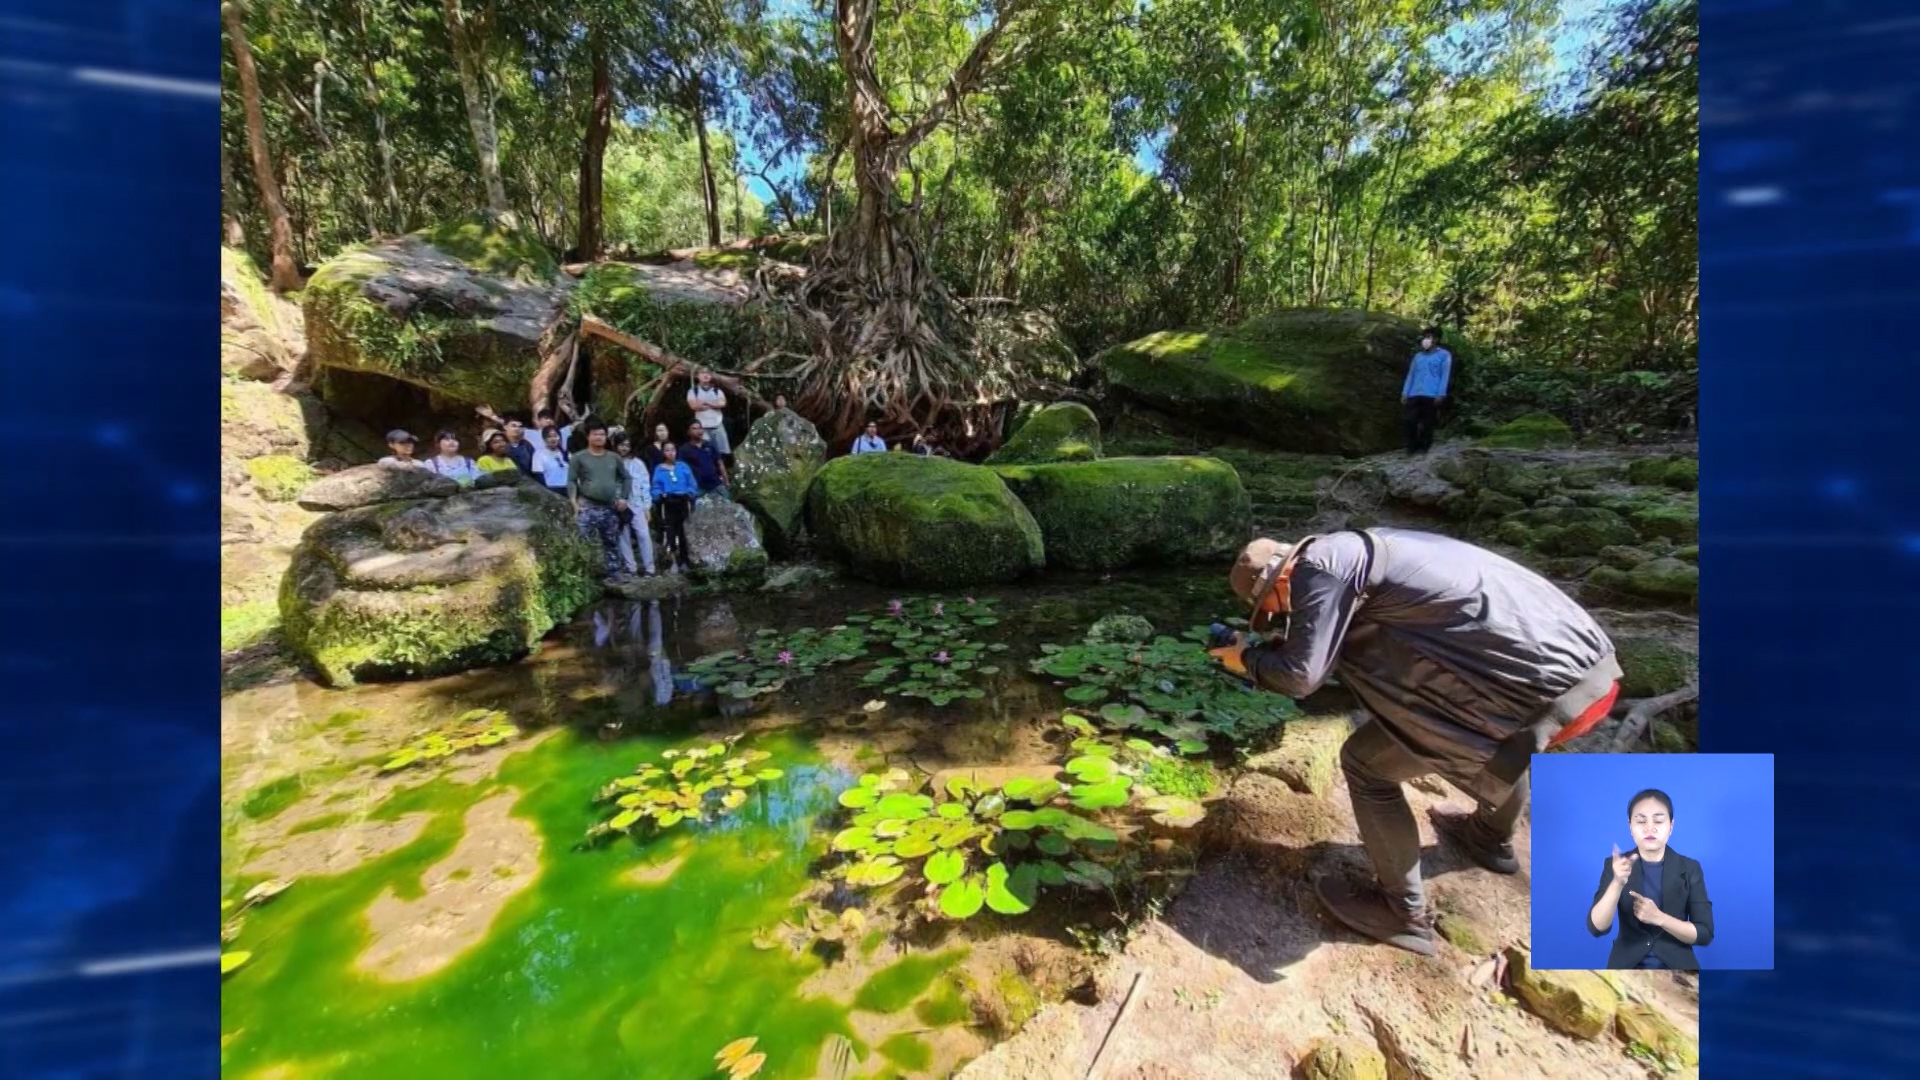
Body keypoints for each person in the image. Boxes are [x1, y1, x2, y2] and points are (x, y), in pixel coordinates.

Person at [1209, 528, 1621, 956]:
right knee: (1499, 743)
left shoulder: (1319, 567)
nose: (1279, 616)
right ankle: (1490, 839)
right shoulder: (1364, 548)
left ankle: (1402, 914)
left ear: (1280, 579)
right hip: (1588, 677)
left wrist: (1249, 659)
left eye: (1271, 609)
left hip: (1534, 697)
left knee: (1366, 764)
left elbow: (1301, 677)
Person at [1588, 789, 1714, 969]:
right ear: (1630, 825)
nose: (1649, 827)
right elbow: (1597, 927)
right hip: (1626, 969)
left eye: (1658, 820)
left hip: (1680, 973)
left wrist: (1660, 918)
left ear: (1671, 826)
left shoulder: (1690, 868)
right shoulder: (1614, 865)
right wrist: (1617, 883)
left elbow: (1704, 933)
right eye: (1640, 821)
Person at [567, 420, 632, 582]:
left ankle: (614, 572)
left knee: (611, 540)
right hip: (587, 505)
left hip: (609, 506)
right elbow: (571, 481)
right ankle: (579, 575)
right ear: (588, 436)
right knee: (581, 540)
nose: (599, 437)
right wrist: (573, 503)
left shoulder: (614, 457)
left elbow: (626, 478)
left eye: (602, 434)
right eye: (595, 434)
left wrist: (624, 497)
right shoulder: (579, 458)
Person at [1401, 327, 1452, 455]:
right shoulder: (1418, 356)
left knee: (1427, 423)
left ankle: (1425, 446)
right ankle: (1412, 446)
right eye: (1425, 337)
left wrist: (1441, 394)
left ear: (1437, 339)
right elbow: (1411, 375)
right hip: (1414, 393)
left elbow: (1444, 375)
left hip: (1431, 394)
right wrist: (1405, 392)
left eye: (1429, 337)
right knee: (1410, 421)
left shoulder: (1444, 355)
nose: (1426, 340)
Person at [614, 434, 657, 576]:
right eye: (621, 445)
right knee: (623, 536)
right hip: (619, 504)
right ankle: (630, 567)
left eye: (627, 445)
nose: (624, 448)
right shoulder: (611, 462)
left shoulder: (638, 463)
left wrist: (647, 507)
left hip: (637, 503)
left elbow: (645, 485)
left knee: (643, 535)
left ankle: (649, 568)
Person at [652, 442, 699, 572]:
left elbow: (692, 484)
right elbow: (655, 488)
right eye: (667, 450)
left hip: (683, 502)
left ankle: (685, 560)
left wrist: (690, 493)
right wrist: (659, 496)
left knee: (684, 531)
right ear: (663, 453)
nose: (671, 452)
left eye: (673, 449)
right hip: (668, 503)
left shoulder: (683, 466)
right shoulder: (659, 469)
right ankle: (672, 560)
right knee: (670, 532)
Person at [475, 405, 539, 474]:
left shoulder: (526, 445)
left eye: (520, 426)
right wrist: (493, 417)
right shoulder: (500, 447)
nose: (517, 429)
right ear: (505, 427)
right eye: (514, 426)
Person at [687, 368, 730, 456]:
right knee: (705, 452)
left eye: (708, 373)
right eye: (702, 373)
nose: (705, 375)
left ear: (711, 376)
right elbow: (693, 406)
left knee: (722, 452)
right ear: (698, 376)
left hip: (717, 425)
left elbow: (722, 403)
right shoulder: (693, 391)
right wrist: (714, 404)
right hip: (702, 428)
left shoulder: (717, 391)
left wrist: (706, 403)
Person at [680, 422, 729, 495]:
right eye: (694, 428)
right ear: (688, 432)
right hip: (698, 487)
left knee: (728, 503)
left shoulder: (710, 445)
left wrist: (726, 481)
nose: (698, 431)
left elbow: (720, 463)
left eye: (700, 428)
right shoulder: (685, 449)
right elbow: (681, 469)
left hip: (716, 484)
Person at [532, 426, 571, 497]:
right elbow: (539, 476)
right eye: (549, 436)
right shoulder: (538, 454)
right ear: (544, 439)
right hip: (553, 490)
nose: (553, 439)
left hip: (569, 488)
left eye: (555, 436)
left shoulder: (564, 452)